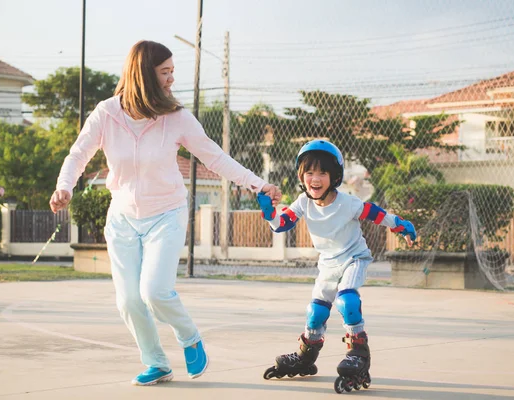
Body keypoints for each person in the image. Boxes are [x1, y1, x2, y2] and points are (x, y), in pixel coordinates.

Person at [49, 40, 282, 386]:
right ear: (144, 75)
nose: (172, 79)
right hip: (123, 217)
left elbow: (215, 157)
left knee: (155, 291)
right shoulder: (106, 114)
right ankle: (156, 362)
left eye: (173, 71)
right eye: (165, 72)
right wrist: (64, 185)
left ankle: (190, 338)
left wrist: (257, 184)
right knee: (128, 300)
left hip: (166, 213)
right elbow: (78, 154)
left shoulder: (177, 118)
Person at [257, 139, 415, 392]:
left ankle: (358, 354)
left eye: (322, 172)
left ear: (335, 176)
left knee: (347, 301)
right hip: (328, 265)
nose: (315, 178)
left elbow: (375, 214)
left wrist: (401, 224)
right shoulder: (303, 202)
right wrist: (269, 212)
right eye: (309, 172)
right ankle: (305, 356)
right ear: (302, 176)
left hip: (354, 257)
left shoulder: (348, 203)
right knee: (315, 313)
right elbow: (280, 225)